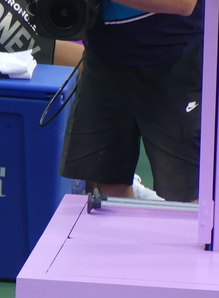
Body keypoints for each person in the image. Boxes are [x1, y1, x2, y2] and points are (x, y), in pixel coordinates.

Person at [59, 0, 203, 202]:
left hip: (175, 58)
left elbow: (183, 4)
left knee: (186, 194)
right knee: (107, 184)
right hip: (103, 56)